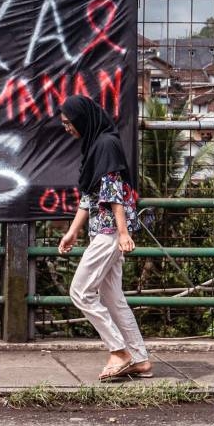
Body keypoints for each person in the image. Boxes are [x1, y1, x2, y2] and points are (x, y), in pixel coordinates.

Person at [56, 95, 152, 381]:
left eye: (68, 123)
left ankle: (119, 351)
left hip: (110, 232)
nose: (66, 129)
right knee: (112, 297)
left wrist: (123, 233)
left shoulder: (106, 144)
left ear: (82, 119)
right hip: (104, 230)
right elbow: (90, 196)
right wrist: (73, 231)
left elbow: (114, 194)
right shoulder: (97, 144)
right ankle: (140, 359)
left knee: (80, 291)